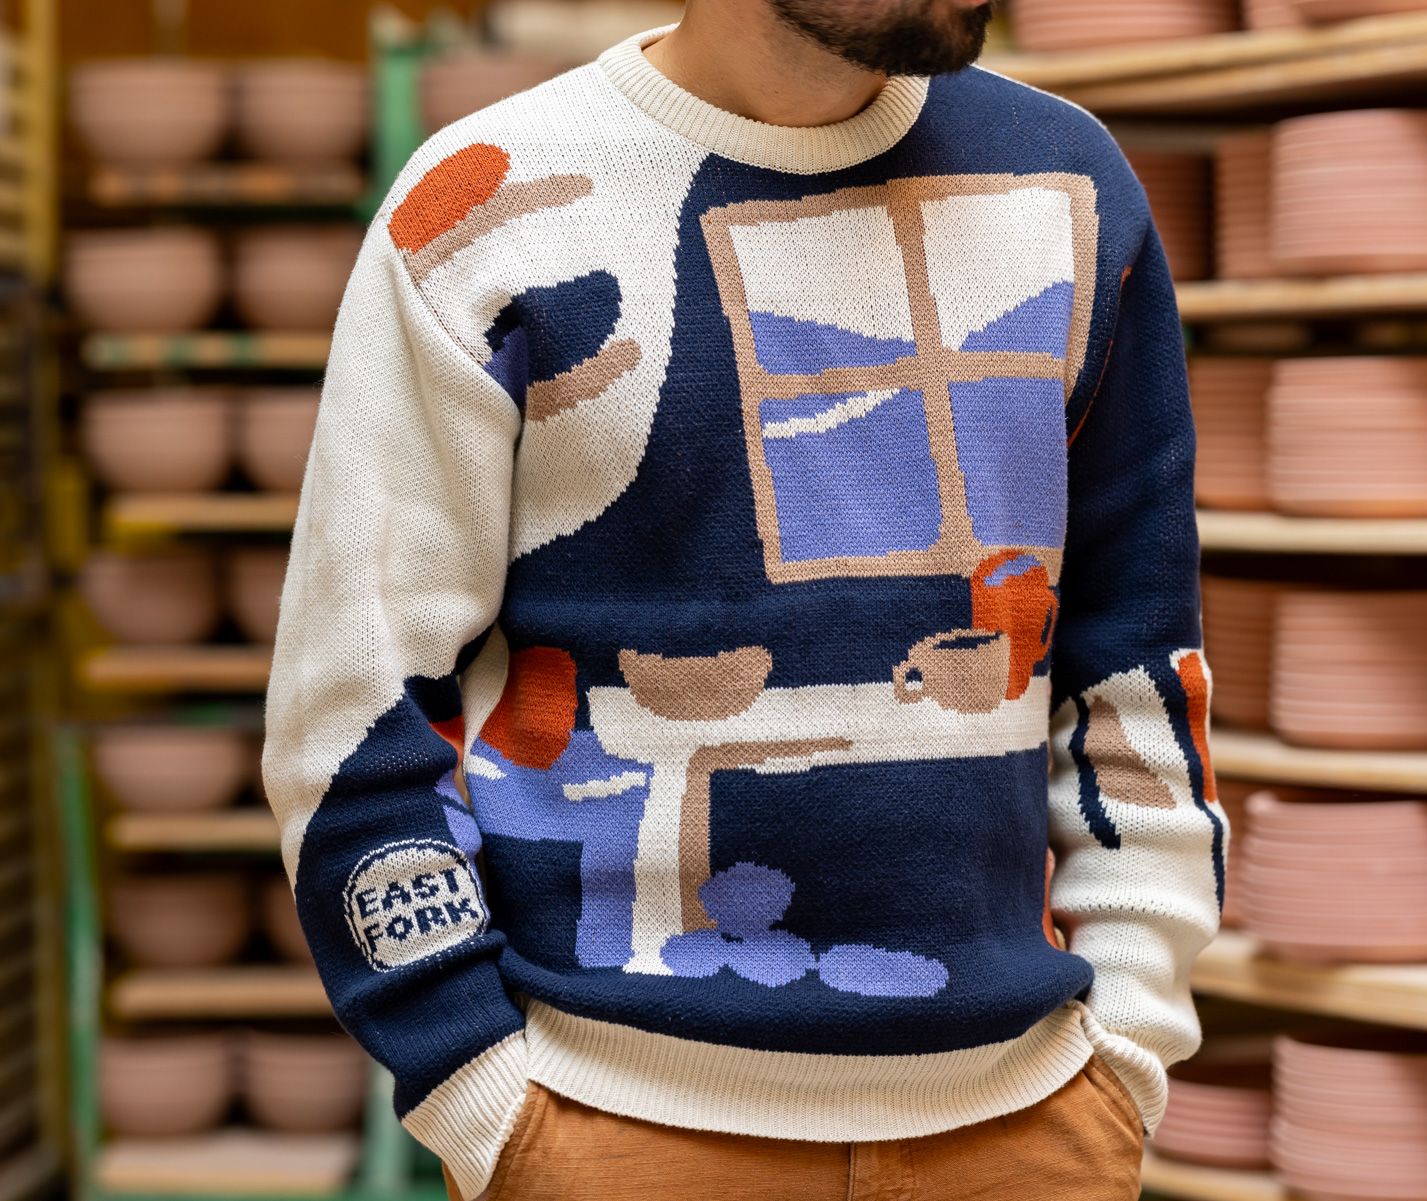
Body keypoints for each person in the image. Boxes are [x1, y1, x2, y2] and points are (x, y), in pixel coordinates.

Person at [260, 1, 1224, 1197]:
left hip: (1027, 1128)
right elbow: (351, 707)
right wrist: (476, 1088)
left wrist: (1128, 1041)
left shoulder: (1069, 182)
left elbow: (1136, 666)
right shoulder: (490, 207)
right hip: (610, 1127)